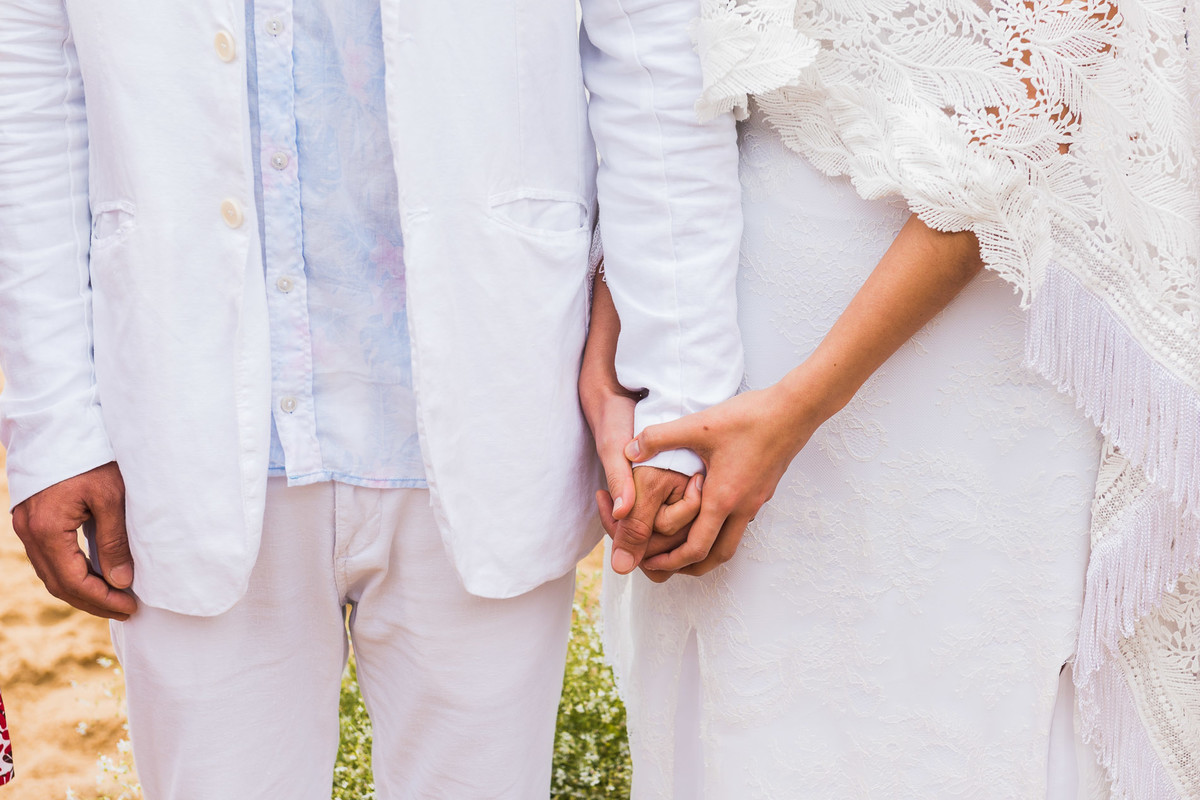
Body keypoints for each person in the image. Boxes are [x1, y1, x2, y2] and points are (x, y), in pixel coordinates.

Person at [0, 0, 744, 796]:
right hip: (185, 406)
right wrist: (57, 426)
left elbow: (650, 51)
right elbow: (31, 79)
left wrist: (682, 393)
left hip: (489, 386)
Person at [584, 1, 1199, 797]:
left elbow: (1034, 99)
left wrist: (800, 405)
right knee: (754, 716)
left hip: (964, 368)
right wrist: (626, 316)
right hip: (731, 350)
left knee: (956, 705)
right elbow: (658, 64)